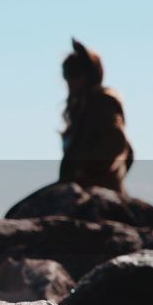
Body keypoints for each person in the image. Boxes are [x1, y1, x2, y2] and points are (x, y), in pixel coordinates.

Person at [58, 39, 134, 194]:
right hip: (79, 186)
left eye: (74, 74)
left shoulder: (103, 103)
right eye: (66, 74)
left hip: (96, 190)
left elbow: (117, 143)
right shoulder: (80, 108)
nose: (69, 81)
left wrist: (86, 170)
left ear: (88, 76)